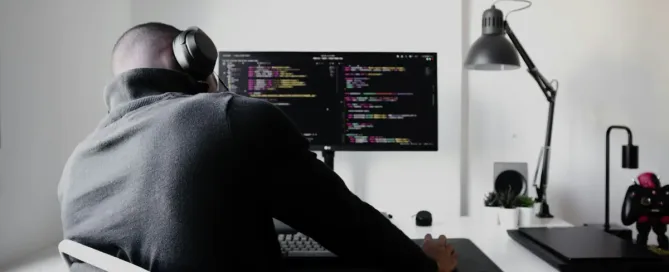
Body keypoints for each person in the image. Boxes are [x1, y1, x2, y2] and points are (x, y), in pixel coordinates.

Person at [58, 22, 457, 272]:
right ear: (194, 59)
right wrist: (425, 264)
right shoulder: (229, 116)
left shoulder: (75, 165)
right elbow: (349, 228)